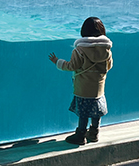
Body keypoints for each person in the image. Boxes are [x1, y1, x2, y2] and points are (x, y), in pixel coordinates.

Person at [48, 17, 113, 145]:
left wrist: (57, 62)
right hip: (98, 89)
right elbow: (109, 66)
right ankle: (94, 133)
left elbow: (72, 66)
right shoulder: (106, 50)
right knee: (96, 111)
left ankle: (81, 135)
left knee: (83, 113)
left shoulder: (79, 50)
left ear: (84, 31)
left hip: (83, 88)